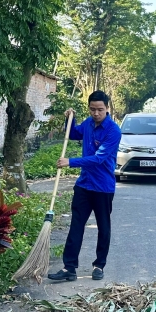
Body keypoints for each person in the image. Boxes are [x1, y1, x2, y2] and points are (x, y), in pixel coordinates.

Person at [47, 90, 122, 283]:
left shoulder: (113, 131)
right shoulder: (88, 124)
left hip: (103, 187)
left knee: (103, 227)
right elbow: (72, 134)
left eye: (100, 110)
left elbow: (99, 159)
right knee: (76, 225)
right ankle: (69, 267)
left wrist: (70, 162)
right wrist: (70, 119)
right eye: (92, 109)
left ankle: (99, 265)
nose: (96, 113)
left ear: (107, 108)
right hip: (84, 184)